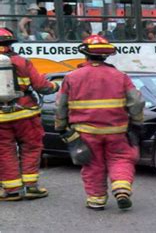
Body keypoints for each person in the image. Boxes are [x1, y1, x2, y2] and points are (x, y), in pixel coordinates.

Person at [55, 35, 145, 211]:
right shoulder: (120, 76)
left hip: (86, 133)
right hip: (117, 131)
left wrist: (60, 126)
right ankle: (121, 189)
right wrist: (137, 122)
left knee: (92, 165)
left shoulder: (72, 77)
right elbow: (136, 102)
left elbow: (61, 105)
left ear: (85, 54)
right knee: (121, 159)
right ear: (105, 56)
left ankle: (96, 200)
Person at [0, 28, 59, 201]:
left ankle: (12, 191)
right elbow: (43, 87)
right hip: (25, 114)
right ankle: (31, 187)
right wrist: (56, 86)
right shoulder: (23, 62)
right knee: (31, 147)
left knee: (4, 151)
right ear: (11, 44)